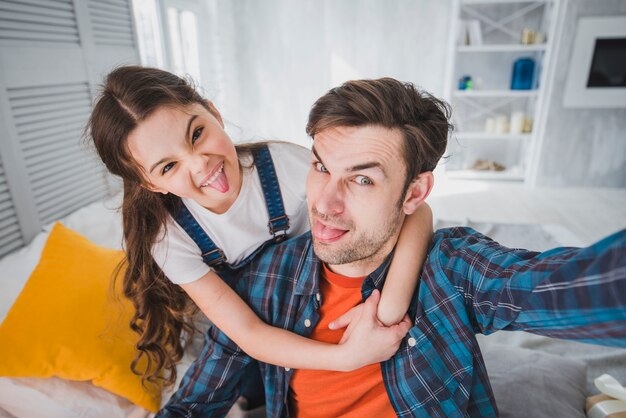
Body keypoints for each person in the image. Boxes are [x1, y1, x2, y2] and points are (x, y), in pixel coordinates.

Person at [157, 77, 626, 417]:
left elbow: (565, 288)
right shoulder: (265, 279)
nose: (324, 203)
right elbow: (193, 403)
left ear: (415, 193)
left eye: (362, 178)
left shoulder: (450, 268)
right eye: (321, 167)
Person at [87, 66, 434, 392]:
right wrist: (346, 358)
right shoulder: (169, 239)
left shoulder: (287, 165)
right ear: (149, 184)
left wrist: (388, 310)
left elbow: (416, 211)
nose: (200, 165)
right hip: (258, 339)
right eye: (168, 167)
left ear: (214, 113)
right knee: (249, 388)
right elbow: (248, 333)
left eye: (196, 134)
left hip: (324, 305)